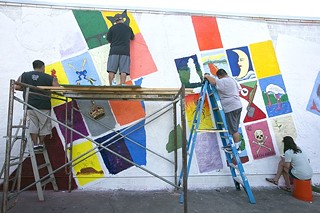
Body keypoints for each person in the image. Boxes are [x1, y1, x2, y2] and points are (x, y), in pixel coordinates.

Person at [15, 60, 59, 150]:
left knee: (33, 124)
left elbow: (17, 86)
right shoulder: (49, 77)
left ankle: (35, 144)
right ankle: (41, 143)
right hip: (44, 105)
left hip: (29, 104)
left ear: (34, 67)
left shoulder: (24, 75)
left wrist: (27, 89)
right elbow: (57, 89)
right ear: (43, 67)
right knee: (44, 124)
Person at [203, 68, 242, 153]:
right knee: (234, 126)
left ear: (220, 76)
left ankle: (236, 147)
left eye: (218, 77)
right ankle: (235, 145)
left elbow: (214, 82)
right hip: (237, 105)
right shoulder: (231, 79)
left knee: (233, 129)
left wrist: (207, 76)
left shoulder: (224, 81)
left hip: (231, 107)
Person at [106, 13, 134, 85]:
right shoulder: (128, 28)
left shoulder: (112, 28)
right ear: (122, 19)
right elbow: (132, 37)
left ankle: (111, 85)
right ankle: (122, 84)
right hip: (125, 51)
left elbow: (108, 39)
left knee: (111, 70)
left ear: (115, 21)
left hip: (114, 51)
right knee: (123, 70)